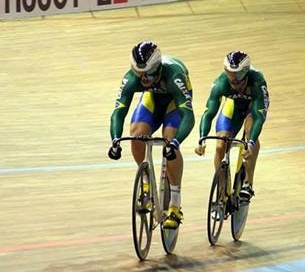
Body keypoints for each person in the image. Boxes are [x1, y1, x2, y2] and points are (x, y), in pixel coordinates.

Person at [108, 41, 194, 229]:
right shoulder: (132, 78)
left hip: (175, 101)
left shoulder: (174, 76)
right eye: (139, 74)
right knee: (137, 134)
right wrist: (115, 139)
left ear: (158, 67)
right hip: (153, 98)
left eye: (147, 74)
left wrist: (176, 143)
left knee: (169, 139)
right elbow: (119, 111)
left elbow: (189, 115)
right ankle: (146, 182)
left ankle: (175, 204)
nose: (143, 79)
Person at [194, 51, 270, 202]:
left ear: (246, 74)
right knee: (220, 145)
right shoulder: (220, 83)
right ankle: (221, 190)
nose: (234, 83)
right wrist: (201, 139)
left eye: (238, 80)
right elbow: (209, 113)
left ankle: (248, 183)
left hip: (252, 108)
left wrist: (251, 143)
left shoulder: (257, 81)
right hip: (233, 106)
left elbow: (258, 117)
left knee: (249, 133)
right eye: (231, 78)